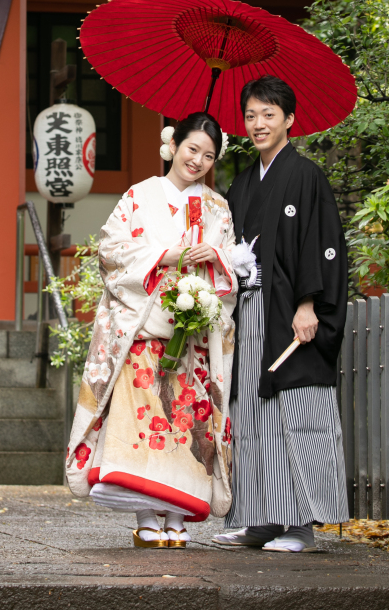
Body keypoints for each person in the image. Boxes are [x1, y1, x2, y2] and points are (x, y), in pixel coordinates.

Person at [66, 112, 239, 548]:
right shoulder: (139, 195)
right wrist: (165, 255)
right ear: (173, 144)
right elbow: (110, 250)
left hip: (193, 337)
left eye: (208, 156)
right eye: (192, 149)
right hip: (143, 330)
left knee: (185, 428)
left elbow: (233, 268)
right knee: (143, 426)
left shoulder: (218, 208)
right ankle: (145, 514)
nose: (197, 161)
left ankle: (177, 515)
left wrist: (215, 259)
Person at [213, 75, 349, 553]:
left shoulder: (306, 175)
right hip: (249, 313)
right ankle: (262, 519)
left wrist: (309, 304)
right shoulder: (242, 183)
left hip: (290, 316)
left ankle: (301, 526)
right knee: (251, 415)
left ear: (289, 119)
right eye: (250, 115)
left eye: (268, 114)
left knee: (297, 412)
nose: (258, 124)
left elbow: (322, 243)